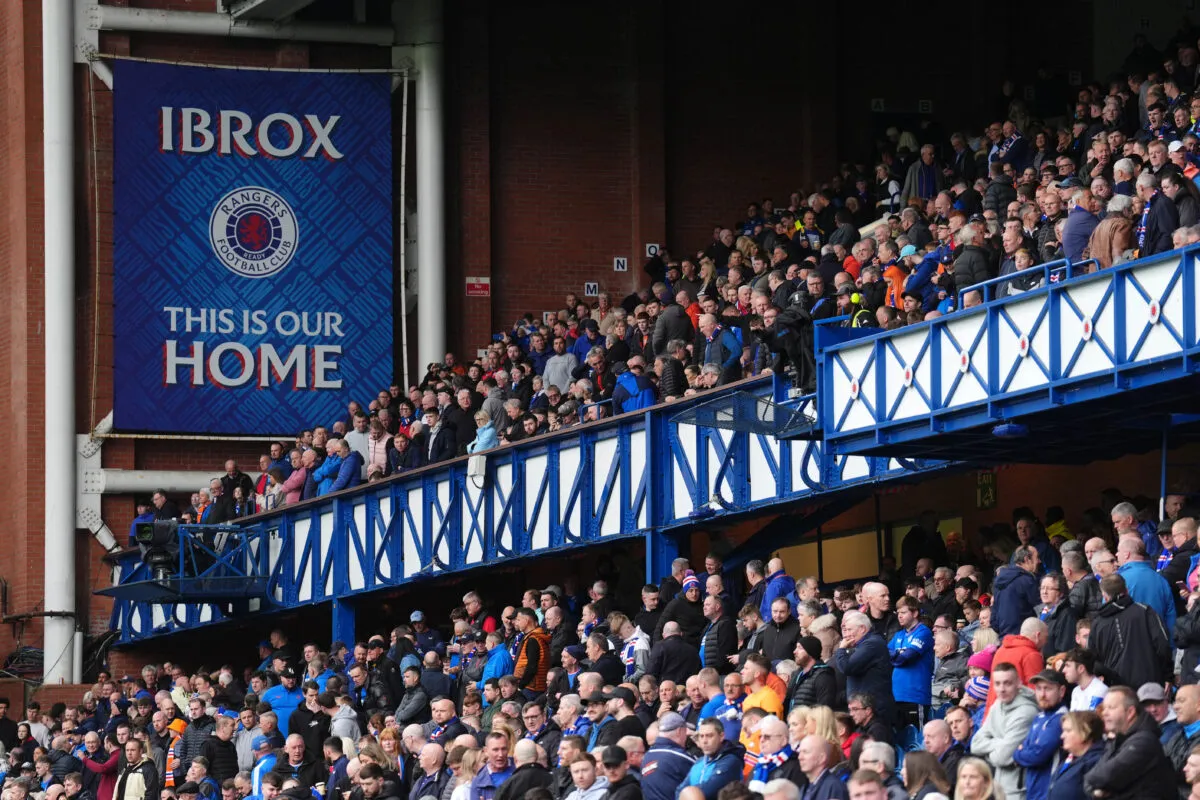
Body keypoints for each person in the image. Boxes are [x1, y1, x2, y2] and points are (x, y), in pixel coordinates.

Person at [1083, 686, 1175, 800]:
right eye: (1104, 708)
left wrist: (1105, 790)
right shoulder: (1118, 740)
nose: (1105, 713)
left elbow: (1103, 776)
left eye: (1111, 708)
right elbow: (1090, 778)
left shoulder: (1144, 741)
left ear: (1130, 712)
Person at [970, 662, 1037, 800]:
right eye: (998, 683)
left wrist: (991, 747)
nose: (1002, 689)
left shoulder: (1026, 712)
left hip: (1018, 790)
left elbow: (1003, 758)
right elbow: (975, 744)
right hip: (998, 786)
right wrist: (1002, 743)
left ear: (1018, 683)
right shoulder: (997, 705)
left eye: (1007, 683)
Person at [1012, 670, 1069, 800]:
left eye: (1048, 689)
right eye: (1038, 689)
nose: (1042, 694)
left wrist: (1017, 755)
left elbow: (1037, 755)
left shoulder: (1060, 719)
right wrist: (1023, 751)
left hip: (1048, 792)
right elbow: (1026, 747)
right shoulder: (1040, 717)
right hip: (1033, 791)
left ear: (1061, 691)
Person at [834, 611, 894, 725]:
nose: (846, 635)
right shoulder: (863, 644)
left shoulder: (871, 643)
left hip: (874, 712)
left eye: (850, 630)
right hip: (865, 710)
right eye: (845, 630)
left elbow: (847, 667)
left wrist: (841, 650)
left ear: (862, 629)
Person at [677, 718, 742, 800]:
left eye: (709, 736)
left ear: (721, 736)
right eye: (701, 736)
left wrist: (685, 795)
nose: (704, 741)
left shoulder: (731, 761)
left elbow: (708, 790)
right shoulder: (699, 762)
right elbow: (679, 790)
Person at [1046, 710, 1104, 800]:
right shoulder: (1070, 758)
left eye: (1068, 731)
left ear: (1085, 732)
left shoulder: (1096, 762)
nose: (1062, 736)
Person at [639, 713, 694, 800]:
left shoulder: (646, 757)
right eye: (685, 731)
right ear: (679, 731)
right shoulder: (680, 757)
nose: (687, 736)